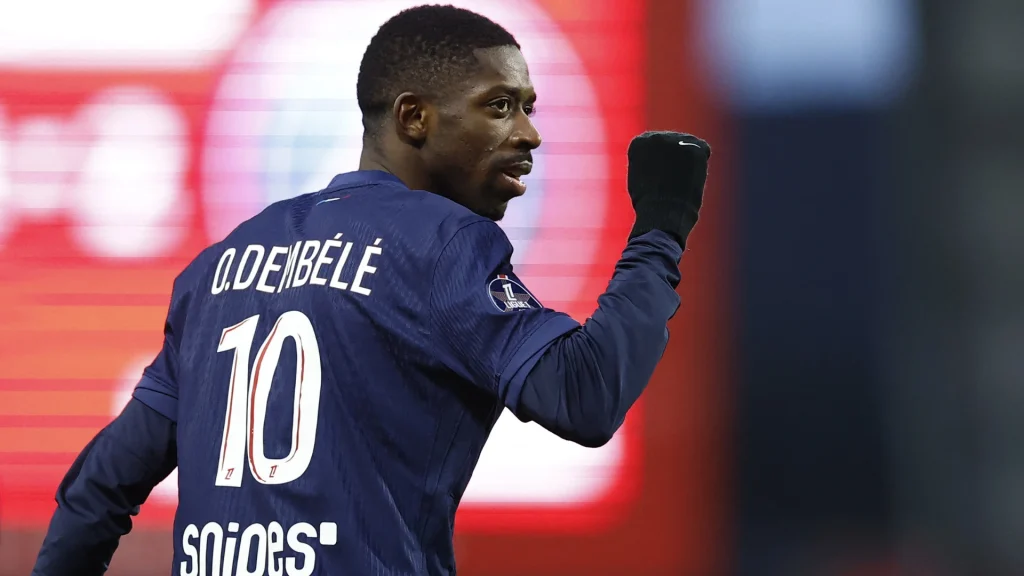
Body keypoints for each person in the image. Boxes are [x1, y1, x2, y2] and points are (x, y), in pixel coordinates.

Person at [32, 4, 711, 576]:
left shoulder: (223, 262)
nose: (529, 134)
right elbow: (584, 396)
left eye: (529, 108)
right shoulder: (439, 242)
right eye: (499, 107)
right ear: (414, 118)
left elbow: (97, 493)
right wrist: (660, 230)